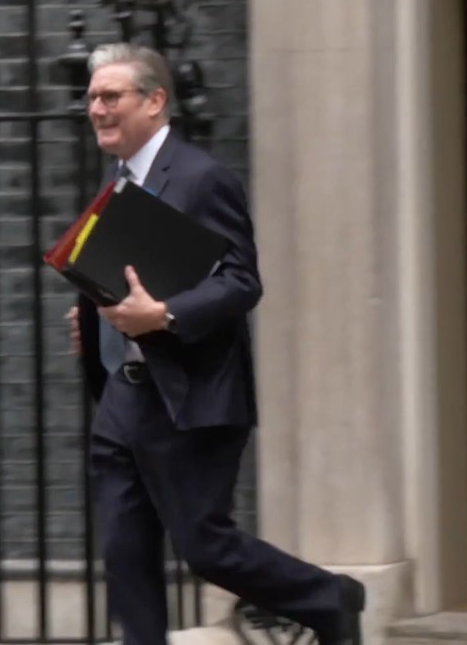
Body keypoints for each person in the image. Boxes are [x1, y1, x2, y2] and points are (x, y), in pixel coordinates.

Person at [64, 43, 366, 645]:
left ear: (154, 101)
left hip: (189, 397)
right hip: (123, 401)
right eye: (92, 97)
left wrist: (165, 315)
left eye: (111, 96)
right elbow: (126, 274)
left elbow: (241, 282)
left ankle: (330, 598)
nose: (97, 108)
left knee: (205, 548)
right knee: (125, 555)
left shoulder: (203, 178)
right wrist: (93, 319)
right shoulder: (116, 178)